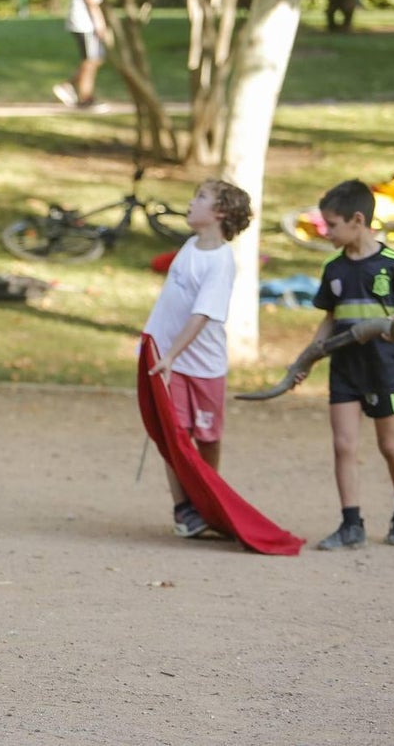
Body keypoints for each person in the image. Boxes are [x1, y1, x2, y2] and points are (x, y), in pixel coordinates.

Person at [299, 179, 394, 551]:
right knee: (343, 444)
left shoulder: (393, 263)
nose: (326, 232)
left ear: (357, 219)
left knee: (389, 444)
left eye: (332, 225)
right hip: (345, 369)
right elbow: (329, 319)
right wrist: (310, 354)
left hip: (384, 367)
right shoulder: (334, 269)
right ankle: (351, 523)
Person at [142, 179, 253, 538]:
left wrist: (173, 353)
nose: (191, 202)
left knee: (208, 437)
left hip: (201, 365)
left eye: (200, 197)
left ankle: (209, 501)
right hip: (166, 361)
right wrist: (156, 348)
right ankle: (184, 510)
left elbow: (201, 314)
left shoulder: (221, 262)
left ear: (219, 213)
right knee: (174, 436)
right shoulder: (190, 246)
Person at [53, 0, 110, 110]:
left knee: (97, 59)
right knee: (91, 60)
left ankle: (67, 86)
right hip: (84, 24)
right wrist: (100, 24)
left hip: (89, 24)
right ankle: (85, 99)